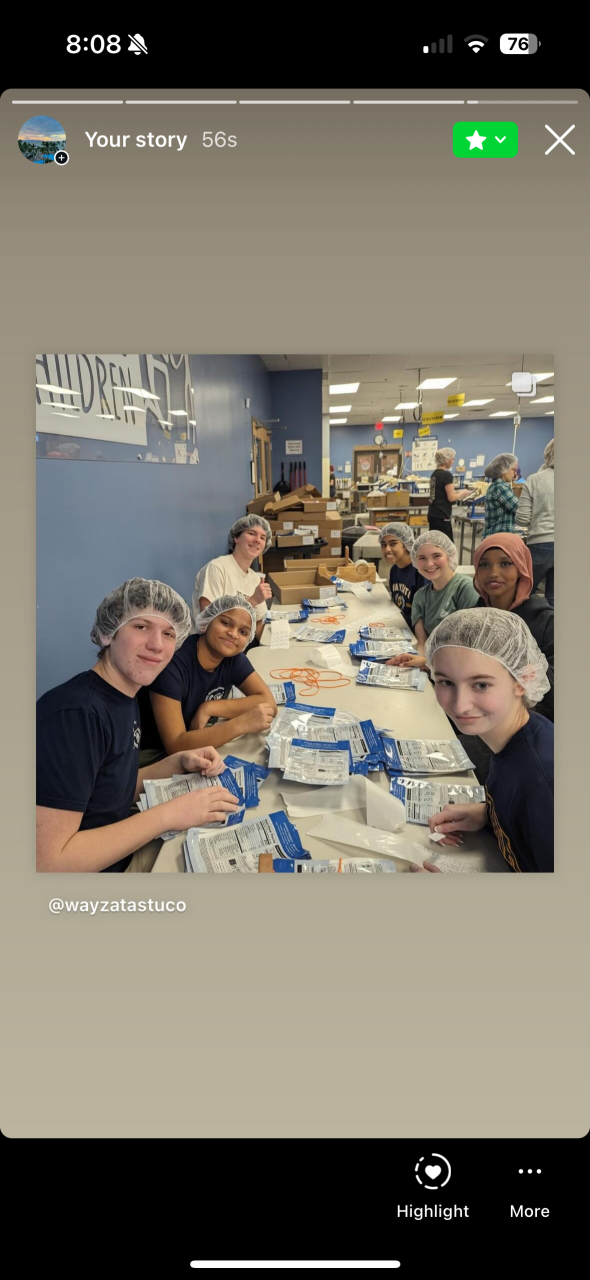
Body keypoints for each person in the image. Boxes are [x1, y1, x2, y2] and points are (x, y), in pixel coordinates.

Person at [36, 579, 240, 873]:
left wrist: (177, 763)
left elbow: (108, 791)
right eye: (142, 626)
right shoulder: (75, 716)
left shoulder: (125, 695)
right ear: (109, 632)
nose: (157, 645)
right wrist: (169, 815)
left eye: (168, 633)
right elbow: (48, 863)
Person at [410, 609, 553, 874]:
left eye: (481, 685)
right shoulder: (510, 739)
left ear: (523, 680)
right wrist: (489, 814)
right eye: (446, 682)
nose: (460, 705)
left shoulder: (543, 782)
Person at [149, 594, 277, 756]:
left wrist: (210, 707)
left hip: (198, 738)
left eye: (243, 632)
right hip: (156, 752)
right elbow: (176, 746)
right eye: (225, 623)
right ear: (207, 621)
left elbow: (269, 703)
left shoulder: (232, 658)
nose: (233, 634)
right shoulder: (173, 666)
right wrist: (241, 724)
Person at [473, 534, 553, 720]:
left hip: (527, 719)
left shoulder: (544, 621)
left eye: (505, 563)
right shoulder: (473, 617)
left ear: (521, 568)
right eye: (484, 564)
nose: (493, 572)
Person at [386, 531, 479, 670]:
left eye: (437, 556)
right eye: (422, 558)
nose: (429, 564)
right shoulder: (420, 596)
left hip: (460, 668)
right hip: (434, 666)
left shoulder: (466, 589)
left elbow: (470, 647)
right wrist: (417, 660)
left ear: (450, 555)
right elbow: (422, 644)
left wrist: (427, 663)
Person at [192, 515, 273, 644]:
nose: (257, 540)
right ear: (236, 538)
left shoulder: (255, 578)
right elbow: (208, 620)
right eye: (252, 533)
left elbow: (258, 625)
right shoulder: (217, 568)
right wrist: (253, 600)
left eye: (263, 537)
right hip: (211, 646)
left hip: (237, 644)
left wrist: (277, 640)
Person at [515, 438, 554, 607]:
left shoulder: (534, 479)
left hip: (540, 543)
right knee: (555, 599)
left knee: (524, 594)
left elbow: (522, 519)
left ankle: (523, 623)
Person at [378, 522, 426, 629]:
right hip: (400, 625)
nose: (387, 549)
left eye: (393, 544)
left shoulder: (419, 572)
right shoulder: (394, 570)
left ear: (405, 545)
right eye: (383, 545)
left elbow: (423, 616)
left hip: (414, 631)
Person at [427, 447, 472, 542]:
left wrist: (457, 492)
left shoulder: (434, 474)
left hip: (432, 513)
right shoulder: (446, 475)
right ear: (446, 460)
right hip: (442, 515)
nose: (453, 462)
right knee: (447, 544)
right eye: (452, 459)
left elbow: (439, 493)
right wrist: (463, 493)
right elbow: (451, 498)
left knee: (435, 542)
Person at [482, 453, 519, 537]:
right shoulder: (500, 487)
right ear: (504, 469)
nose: (515, 473)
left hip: (498, 537)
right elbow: (518, 507)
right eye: (513, 470)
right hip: (497, 538)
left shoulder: (499, 486)